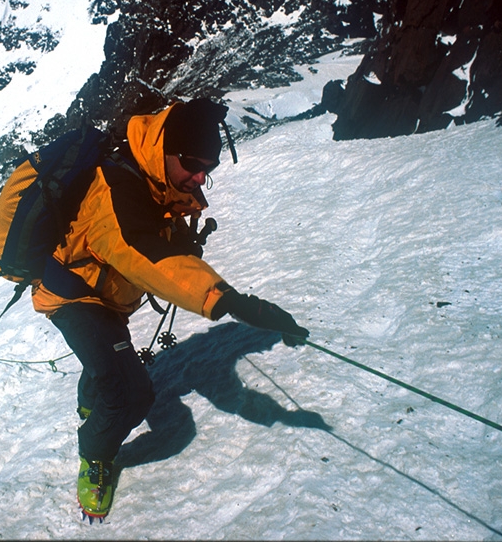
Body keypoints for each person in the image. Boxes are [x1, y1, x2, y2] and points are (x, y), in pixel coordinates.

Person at [30, 98, 310, 522]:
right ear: (166, 152)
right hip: (74, 297)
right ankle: (96, 455)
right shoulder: (117, 188)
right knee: (131, 394)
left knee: (107, 365)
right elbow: (142, 253)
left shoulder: (153, 178)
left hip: (106, 295)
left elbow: (159, 243)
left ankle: (93, 406)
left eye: (208, 168)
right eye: (194, 163)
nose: (200, 177)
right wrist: (227, 301)